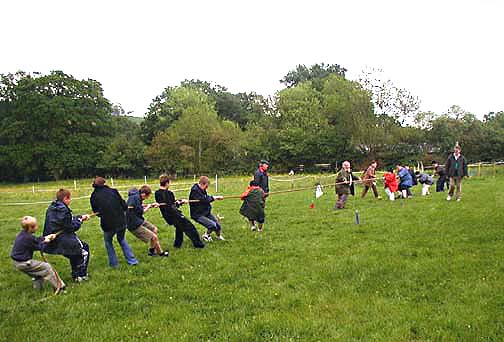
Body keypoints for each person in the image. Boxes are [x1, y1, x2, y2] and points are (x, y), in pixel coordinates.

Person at [43, 189, 91, 282]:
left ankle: (76, 275)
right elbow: (71, 227)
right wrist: (79, 221)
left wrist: (79, 217)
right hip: (62, 239)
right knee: (84, 250)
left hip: (54, 240)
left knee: (74, 253)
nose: (70, 200)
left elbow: (66, 221)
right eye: (70, 198)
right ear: (65, 198)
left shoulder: (52, 207)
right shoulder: (64, 210)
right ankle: (82, 275)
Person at [90, 176, 138, 267]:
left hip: (108, 225)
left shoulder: (93, 196)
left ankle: (114, 264)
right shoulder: (113, 191)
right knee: (122, 240)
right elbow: (124, 206)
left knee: (108, 242)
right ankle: (132, 261)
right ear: (104, 183)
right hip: (121, 222)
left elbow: (97, 212)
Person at [11, 216, 65, 293]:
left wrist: (46, 237)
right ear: (30, 228)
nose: (37, 227)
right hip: (23, 263)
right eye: (35, 226)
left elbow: (36, 240)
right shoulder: (27, 238)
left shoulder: (24, 234)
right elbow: (40, 246)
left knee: (38, 272)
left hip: (18, 262)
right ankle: (60, 288)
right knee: (47, 267)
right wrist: (47, 241)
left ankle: (38, 290)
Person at [155, 174, 205, 248]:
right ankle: (199, 245)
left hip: (167, 216)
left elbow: (169, 204)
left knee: (179, 227)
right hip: (174, 215)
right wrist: (179, 204)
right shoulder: (169, 193)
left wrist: (179, 202)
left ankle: (177, 245)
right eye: (169, 183)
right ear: (167, 183)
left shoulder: (157, 193)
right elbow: (172, 206)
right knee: (190, 227)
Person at [126, 185, 169, 257]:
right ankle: (161, 253)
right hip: (133, 224)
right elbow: (141, 211)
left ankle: (151, 251)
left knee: (154, 229)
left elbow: (137, 207)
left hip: (138, 220)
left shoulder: (136, 197)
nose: (147, 198)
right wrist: (148, 207)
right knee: (154, 237)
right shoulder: (135, 198)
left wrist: (151, 205)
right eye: (147, 196)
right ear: (143, 194)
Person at [189, 176, 225, 242]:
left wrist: (215, 197)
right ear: (202, 184)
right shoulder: (195, 190)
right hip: (197, 214)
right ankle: (206, 235)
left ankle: (218, 236)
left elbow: (206, 197)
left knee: (218, 225)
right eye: (206, 186)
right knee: (212, 225)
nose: (207, 188)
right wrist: (215, 197)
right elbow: (204, 199)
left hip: (205, 212)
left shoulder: (202, 189)